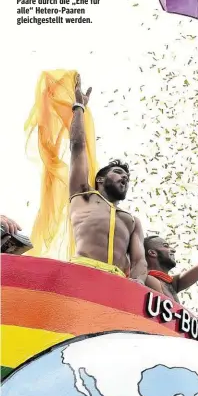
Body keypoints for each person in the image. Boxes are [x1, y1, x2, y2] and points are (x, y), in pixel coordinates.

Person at [68, 74, 147, 281]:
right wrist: (79, 106)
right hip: (82, 271)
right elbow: (77, 147)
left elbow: (139, 261)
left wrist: (137, 283)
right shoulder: (83, 195)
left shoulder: (131, 220)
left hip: (117, 282)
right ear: (100, 180)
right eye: (119, 173)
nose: (125, 178)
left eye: (127, 177)